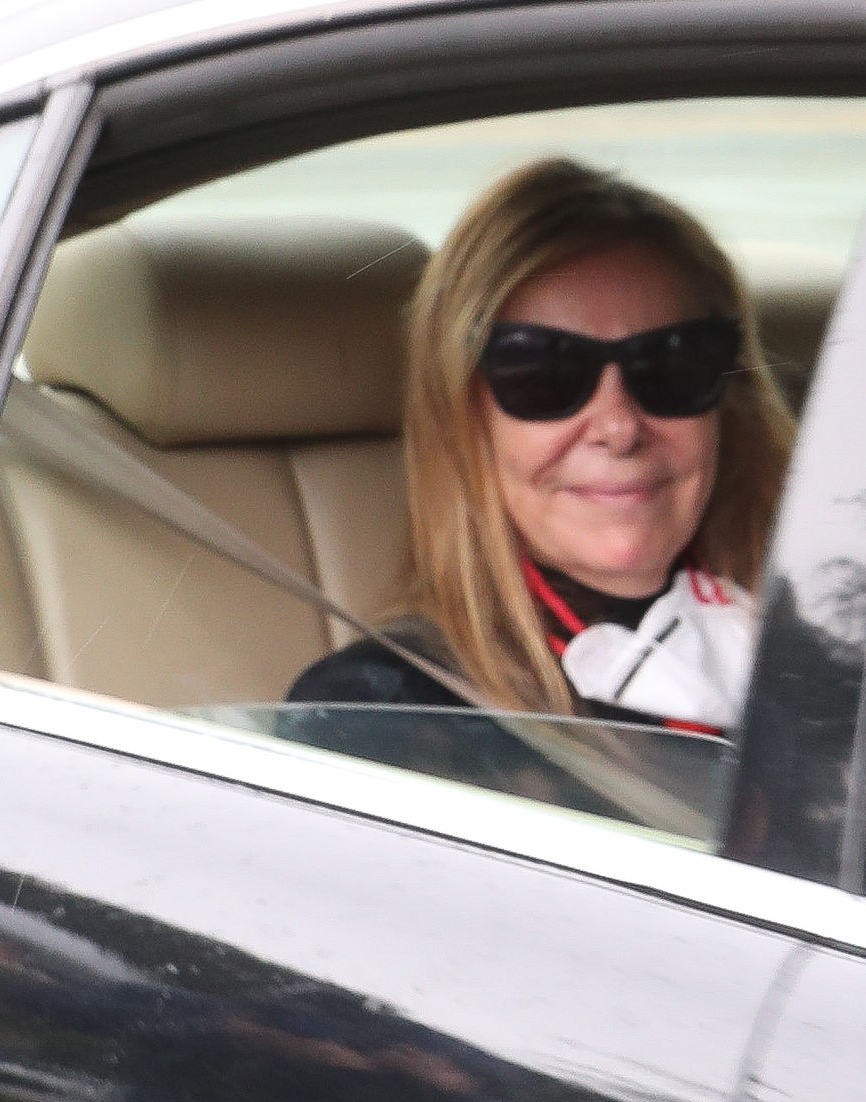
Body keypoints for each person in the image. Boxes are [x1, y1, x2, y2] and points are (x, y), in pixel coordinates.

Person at [287, 157, 795, 732]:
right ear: (462, 418)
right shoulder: (379, 713)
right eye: (543, 371)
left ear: (727, 394)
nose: (619, 428)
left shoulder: (841, 638)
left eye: (672, 364)